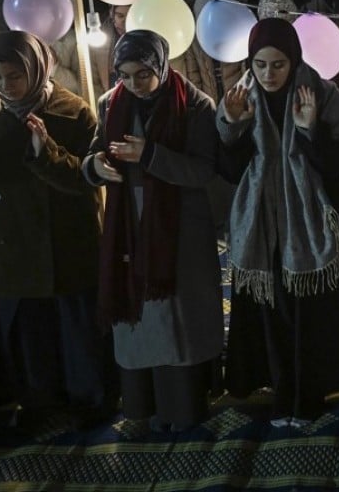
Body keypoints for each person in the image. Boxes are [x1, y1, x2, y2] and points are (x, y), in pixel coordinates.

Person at [217, 18, 339, 424]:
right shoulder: (240, 95)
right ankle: (281, 391)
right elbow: (231, 171)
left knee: (310, 316)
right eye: (260, 64)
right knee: (273, 313)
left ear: (295, 60)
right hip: (263, 225)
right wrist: (233, 125)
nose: (268, 74)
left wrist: (308, 130)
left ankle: (310, 396)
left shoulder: (322, 93)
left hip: (312, 224)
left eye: (278, 64)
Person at [0, 31, 107, 427]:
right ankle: (38, 400)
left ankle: (87, 398)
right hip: (13, 241)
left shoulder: (72, 111)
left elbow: (86, 177)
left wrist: (45, 153)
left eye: (15, 76)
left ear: (36, 69)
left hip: (67, 237)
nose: (7, 86)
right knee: (27, 331)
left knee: (75, 327)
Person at [82, 30, 223, 433]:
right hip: (129, 226)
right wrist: (97, 167)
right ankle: (142, 407)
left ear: (161, 66)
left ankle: (185, 409)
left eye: (142, 74)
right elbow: (93, 153)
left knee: (180, 320)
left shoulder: (194, 105)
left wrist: (150, 155)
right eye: (124, 75)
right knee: (138, 319)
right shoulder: (111, 104)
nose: (133, 84)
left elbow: (202, 169)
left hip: (179, 227)